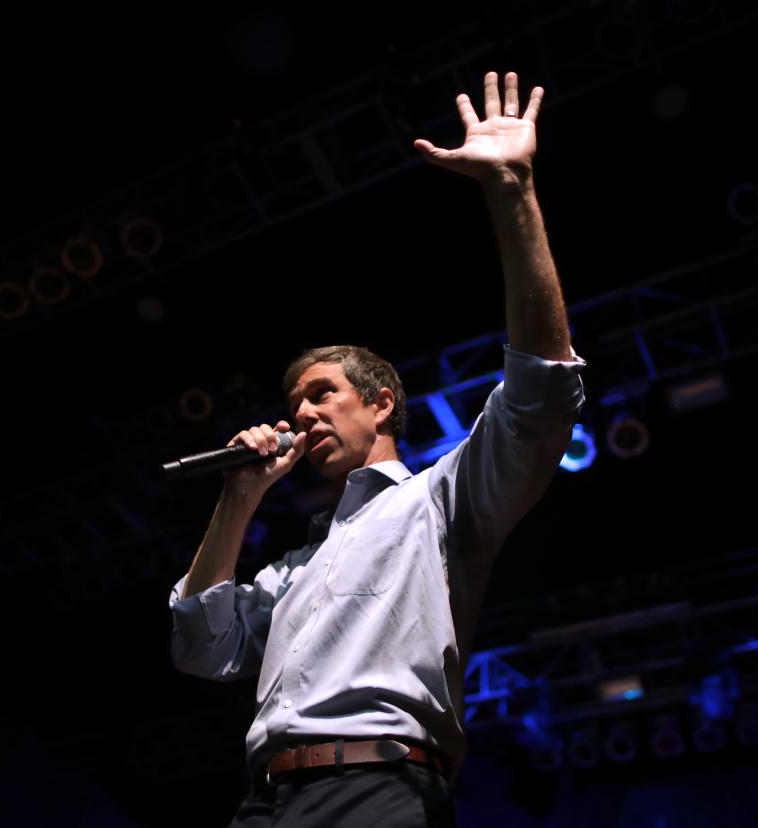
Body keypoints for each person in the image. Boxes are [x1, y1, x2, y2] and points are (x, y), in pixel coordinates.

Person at [168, 71, 586, 827]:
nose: (301, 411)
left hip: (375, 789)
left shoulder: (439, 503)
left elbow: (542, 392)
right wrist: (239, 498)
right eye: (294, 401)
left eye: (322, 392)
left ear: (382, 401)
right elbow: (202, 646)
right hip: (262, 802)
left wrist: (513, 192)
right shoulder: (294, 567)